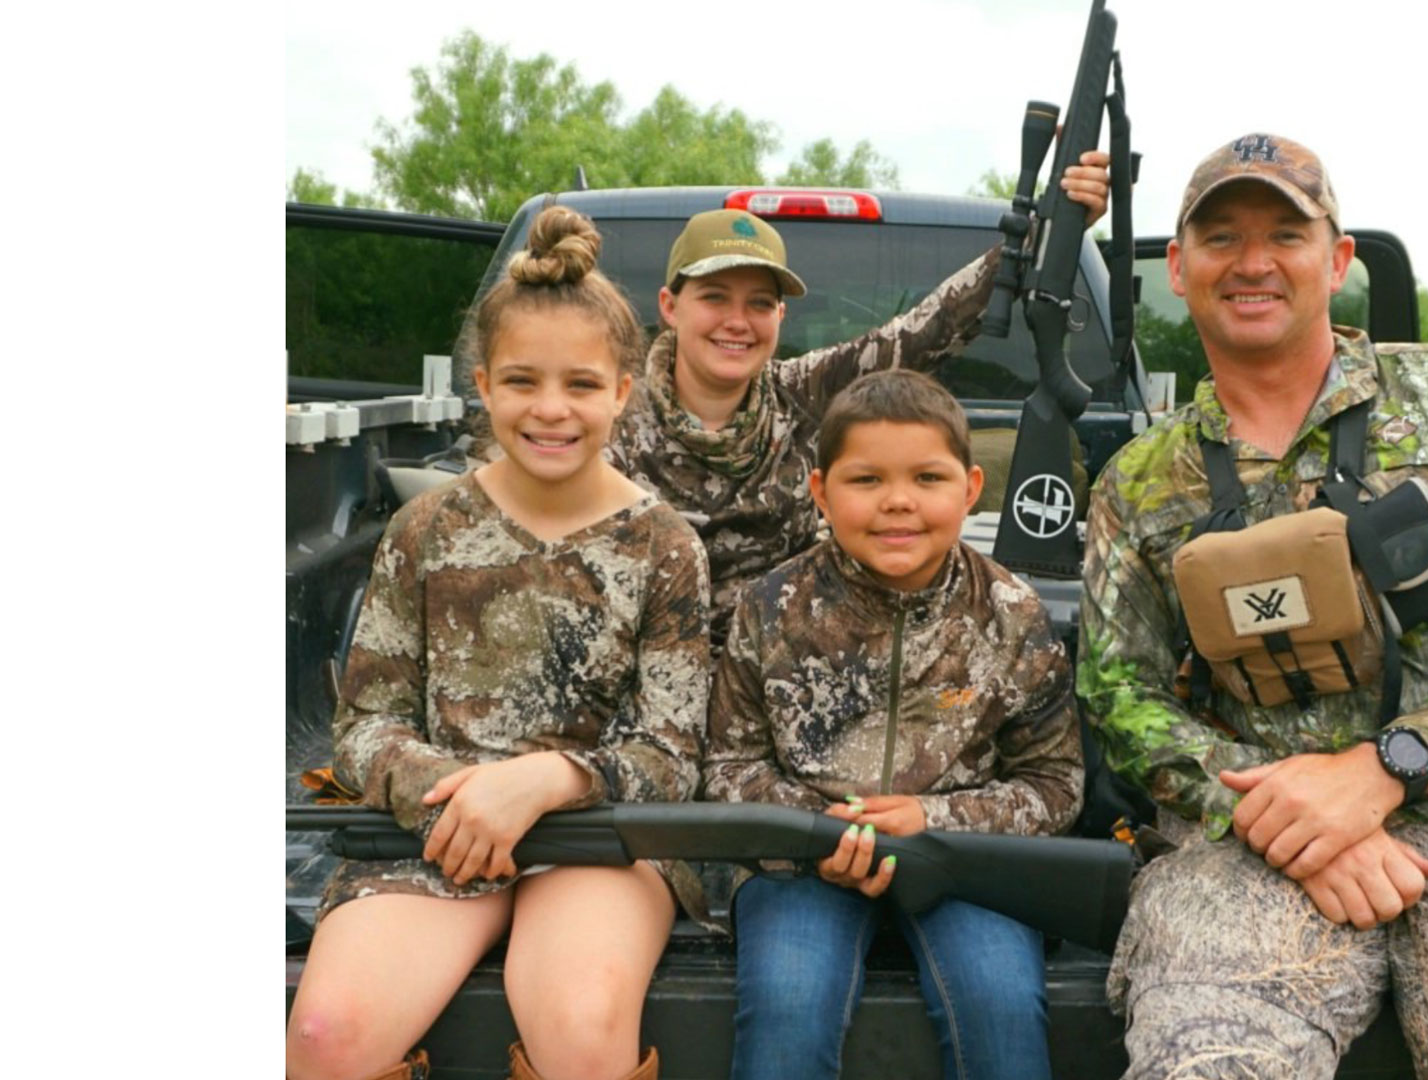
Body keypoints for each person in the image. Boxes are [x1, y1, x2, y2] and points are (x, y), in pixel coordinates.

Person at [1077, 134, 1428, 1078]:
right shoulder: (1136, 482)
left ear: (1336, 258)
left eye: (1285, 234)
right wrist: (1279, 815)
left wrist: (1387, 770)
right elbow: (1120, 697)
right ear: (1179, 269)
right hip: (1250, 843)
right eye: (1220, 238)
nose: (1252, 262)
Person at [286, 206, 711, 1080]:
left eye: (582, 386)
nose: (551, 410)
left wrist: (544, 782)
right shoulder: (425, 528)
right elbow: (366, 727)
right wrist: (464, 799)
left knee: (582, 1025)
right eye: (522, 381)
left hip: (605, 835)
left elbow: (673, 751)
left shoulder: (664, 543)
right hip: (439, 835)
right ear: (482, 384)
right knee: (327, 1033)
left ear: (623, 390)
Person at [704, 369, 1085, 1080]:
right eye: (866, 480)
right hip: (799, 864)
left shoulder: (1012, 612)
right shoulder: (770, 606)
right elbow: (726, 768)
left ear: (971, 489)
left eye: (928, 478)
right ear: (820, 492)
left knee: (1001, 1007)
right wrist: (822, 828)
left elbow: (1056, 785)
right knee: (787, 1006)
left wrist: (932, 818)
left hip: (967, 865)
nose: (899, 503)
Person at [600, 155, 1110, 647]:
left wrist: (1054, 223)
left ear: (779, 316)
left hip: (785, 668)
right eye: (714, 297)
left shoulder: (802, 392)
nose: (738, 321)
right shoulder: (606, 415)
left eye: (759, 303)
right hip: (650, 675)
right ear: (670, 307)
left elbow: (927, 330)